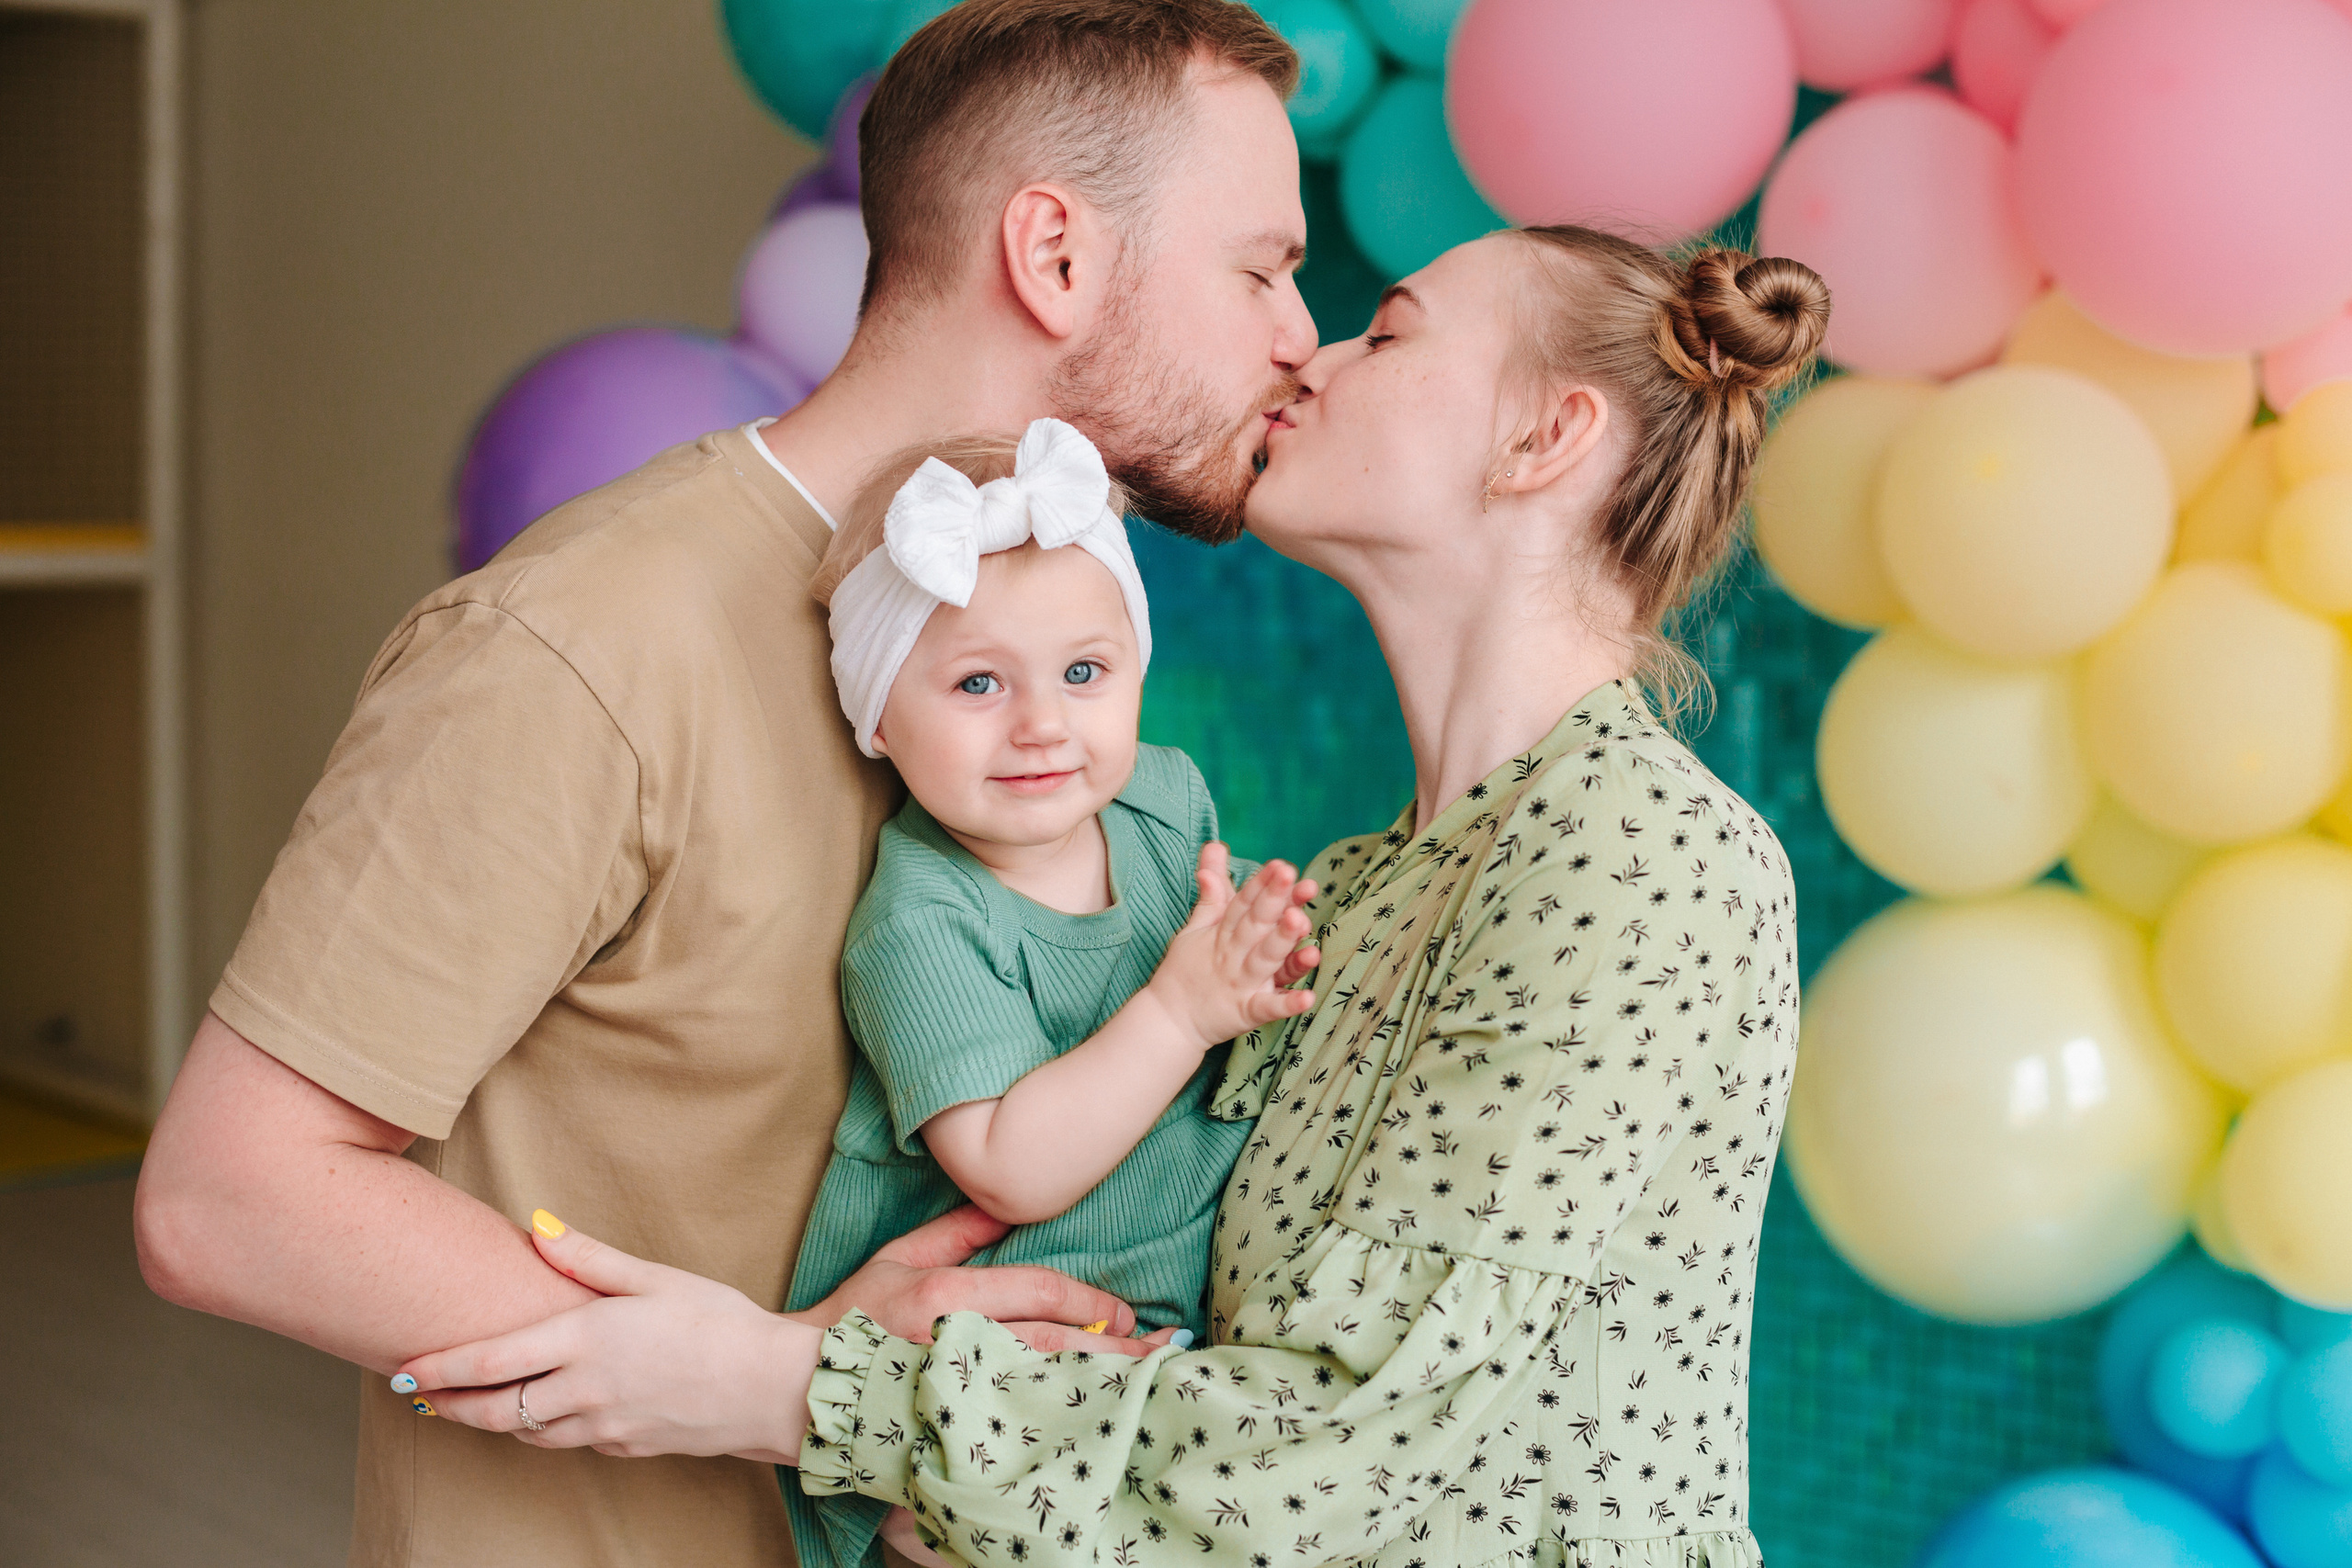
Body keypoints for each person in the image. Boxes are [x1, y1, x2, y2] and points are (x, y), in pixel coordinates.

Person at [394, 227, 1832, 1568]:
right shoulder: (1351, 885)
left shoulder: (1644, 854)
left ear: (1545, 437)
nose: (1310, 358)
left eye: (1387, 334)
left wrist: (794, 1386)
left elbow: (1345, 1442)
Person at [131, 3, 1314, 1563]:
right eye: (1261, 269)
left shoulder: (1057, 667)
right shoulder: (581, 641)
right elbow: (227, 1200)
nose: (1300, 333)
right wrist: (799, 1381)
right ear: (1056, 256)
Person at [786, 419, 1322, 1568]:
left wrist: (1260, 954)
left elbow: (1225, 986)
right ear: (879, 717)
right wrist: (1184, 1010)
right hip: (988, 1363)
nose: (1041, 724)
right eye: (978, 682)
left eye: (1084, 673)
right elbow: (1012, 1166)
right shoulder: (919, 921)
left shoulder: (1167, 803)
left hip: (1169, 1331)